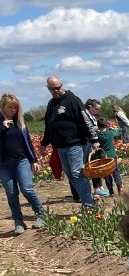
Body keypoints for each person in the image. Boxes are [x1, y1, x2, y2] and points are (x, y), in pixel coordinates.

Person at [40, 77, 99, 209]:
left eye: (58, 87)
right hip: (60, 146)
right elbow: (49, 126)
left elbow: (86, 120)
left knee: (77, 173)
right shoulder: (51, 104)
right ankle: (89, 200)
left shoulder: (73, 100)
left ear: (62, 85)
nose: (56, 90)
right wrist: (44, 143)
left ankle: (88, 204)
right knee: (72, 175)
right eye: (53, 89)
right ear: (48, 88)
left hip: (76, 143)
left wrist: (94, 139)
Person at [0, 93, 46, 234]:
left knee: (27, 188)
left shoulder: (19, 122)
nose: (13, 110)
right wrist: (2, 127)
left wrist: (34, 160)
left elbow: (28, 144)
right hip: (3, 163)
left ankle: (41, 215)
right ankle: (18, 221)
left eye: (15, 107)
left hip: (21, 160)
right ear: (2, 107)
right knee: (11, 192)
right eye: (10, 107)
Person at [83, 100, 110, 197]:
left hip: (94, 144)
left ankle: (100, 186)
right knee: (93, 166)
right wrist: (94, 140)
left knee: (98, 165)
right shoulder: (84, 115)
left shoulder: (92, 117)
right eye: (96, 108)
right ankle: (96, 188)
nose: (98, 111)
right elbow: (90, 130)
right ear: (90, 107)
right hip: (89, 143)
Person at [96, 118, 124, 195]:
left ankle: (111, 191)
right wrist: (112, 128)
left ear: (98, 126)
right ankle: (120, 188)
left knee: (107, 174)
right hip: (112, 155)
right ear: (107, 125)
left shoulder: (98, 135)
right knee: (116, 172)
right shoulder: (111, 133)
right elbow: (118, 132)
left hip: (103, 157)